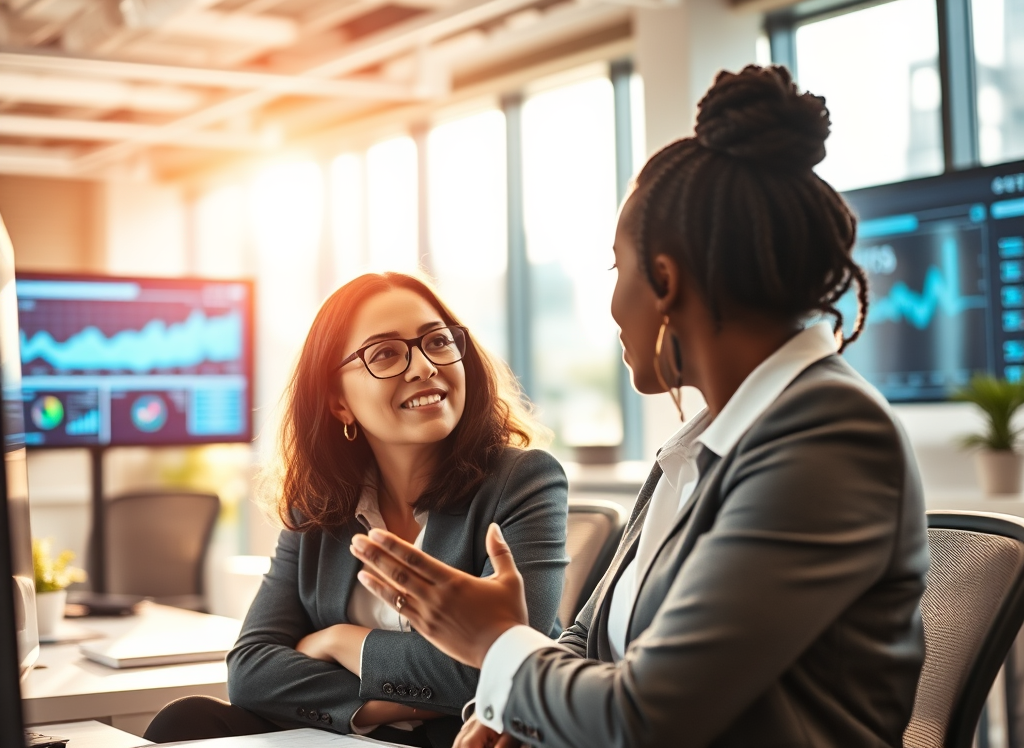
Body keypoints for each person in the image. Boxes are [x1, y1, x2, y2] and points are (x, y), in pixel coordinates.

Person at [350, 65, 930, 748]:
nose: (613, 306)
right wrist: (510, 711)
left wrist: (496, 644)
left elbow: (649, 716)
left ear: (664, 281)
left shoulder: (829, 435)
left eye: (615, 270)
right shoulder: (701, 449)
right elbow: (588, 645)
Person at [144, 272, 569, 748]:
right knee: (187, 722)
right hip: (339, 737)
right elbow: (251, 669)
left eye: (437, 342)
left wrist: (343, 641)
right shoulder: (320, 504)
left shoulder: (523, 480)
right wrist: (403, 697)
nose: (425, 366)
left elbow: (511, 666)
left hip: (465, 740)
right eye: (386, 353)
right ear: (339, 403)